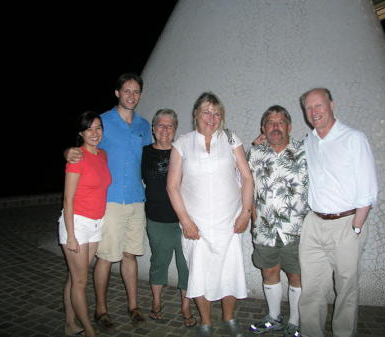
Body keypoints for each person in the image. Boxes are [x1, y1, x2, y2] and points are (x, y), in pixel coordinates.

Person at [65, 73, 152, 328]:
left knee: (130, 255)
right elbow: (82, 145)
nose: (131, 96)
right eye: (126, 91)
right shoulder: (102, 121)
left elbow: (150, 154)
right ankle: (101, 310)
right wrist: (67, 151)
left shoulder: (143, 126)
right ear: (117, 93)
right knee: (105, 257)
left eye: (136, 92)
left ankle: (133, 306)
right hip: (111, 199)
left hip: (137, 198)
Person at [167, 92, 254, 337]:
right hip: (197, 225)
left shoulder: (230, 139)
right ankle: (205, 322)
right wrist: (185, 220)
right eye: (206, 111)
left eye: (217, 113)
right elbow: (172, 186)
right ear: (195, 114)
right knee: (200, 273)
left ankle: (229, 318)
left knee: (230, 271)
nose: (211, 117)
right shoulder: (182, 143)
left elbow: (247, 177)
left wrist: (245, 213)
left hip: (229, 221)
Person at [298, 88, 378, 337]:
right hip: (314, 224)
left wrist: (356, 227)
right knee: (311, 290)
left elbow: (369, 190)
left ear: (331, 105)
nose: (314, 112)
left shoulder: (354, 138)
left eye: (318, 105)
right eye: (309, 108)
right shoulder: (309, 141)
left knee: (346, 290)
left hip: (347, 223)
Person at [247, 105, 308, 337]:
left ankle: (294, 322)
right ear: (263, 128)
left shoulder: (305, 153)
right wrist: (251, 219)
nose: (275, 127)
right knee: (269, 273)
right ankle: (274, 317)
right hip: (264, 230)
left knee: (297, 276)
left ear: (289, 127)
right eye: (270, 123)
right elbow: (244, 186)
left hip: (297, 230)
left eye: (280, 122)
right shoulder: (255, 154)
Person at [141, 108, 196, 327]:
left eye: (170, 125)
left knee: (186, 265)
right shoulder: (143, 153)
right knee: (159, 263)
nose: (165, 129)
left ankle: (186, 306)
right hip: (156, 219)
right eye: (160, 125)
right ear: (154, 129)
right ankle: (156, 304)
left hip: (184, 221)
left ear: (175, 130)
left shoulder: (183, 152)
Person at [59, 111, 112, 337]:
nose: (94, 133)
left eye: (98, 127)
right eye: (89, 128)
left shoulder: (103, 155)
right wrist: (71, 235)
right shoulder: (76, 157)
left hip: (95, 224)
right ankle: (89, 330)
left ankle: (70, 324)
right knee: (81, 281)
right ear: (81, 133)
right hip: (77, 224)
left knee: (75, 277)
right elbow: (68, 199)